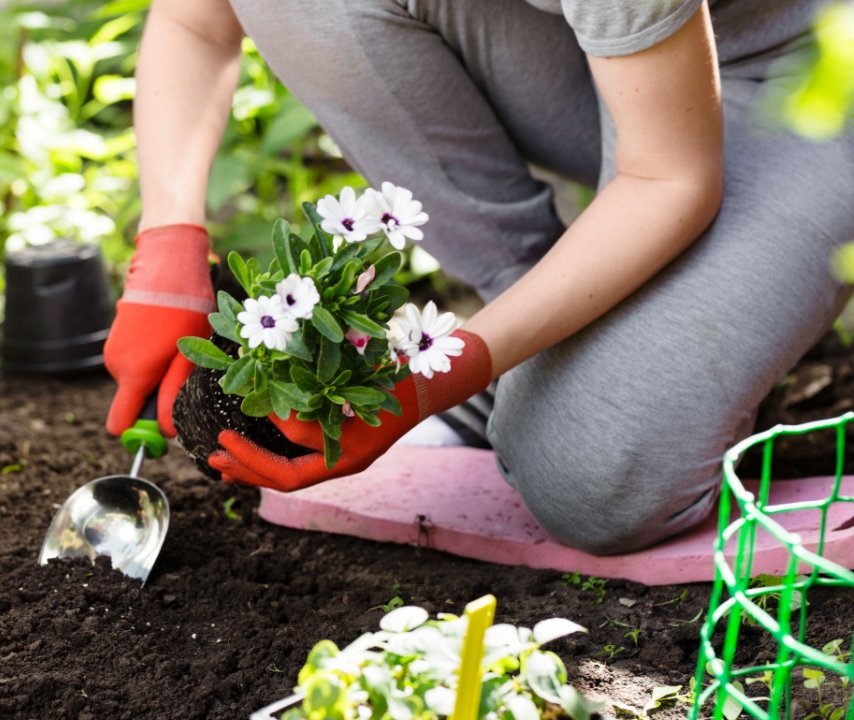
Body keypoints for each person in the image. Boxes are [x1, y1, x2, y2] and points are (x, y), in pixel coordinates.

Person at [102, 0, 854, 555]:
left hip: (804, 72)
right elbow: (197, 20)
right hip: (609, 62)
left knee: (590, 483)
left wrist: (430, 382)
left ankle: (618, 366)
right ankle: (544, 345)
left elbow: (668, 178)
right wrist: (166, 247)